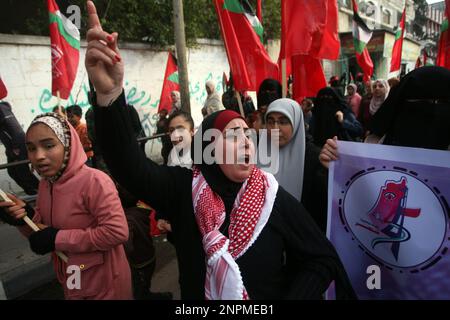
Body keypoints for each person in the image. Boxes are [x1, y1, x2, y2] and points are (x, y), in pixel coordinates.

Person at [85, 0, 355, 300]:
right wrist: (109, 95)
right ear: (210, 148)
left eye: (247, 135)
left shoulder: (272, 198)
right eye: (233, 135)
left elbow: (322, 259)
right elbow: (128, 165)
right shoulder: (183, 190)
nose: (246, 142)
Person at [0, 112, 132, 299]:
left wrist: (58, 238)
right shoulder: (47, 183)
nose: (38, 156)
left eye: (49, 145)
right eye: (30, 148)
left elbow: (117, 232)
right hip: (73, 276)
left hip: (105, 282)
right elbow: (45, 230)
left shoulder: (95, 181)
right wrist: (24, 218)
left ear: (68, 145)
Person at [319, 66, 450, 168]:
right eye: (422, 104)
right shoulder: (374, 146)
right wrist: (337, 167)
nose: (433, 112)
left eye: (444, 104)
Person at [263, 99, 328, 231]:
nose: (275, 128)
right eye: (270, 122)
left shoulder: (315, 158)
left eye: (283, 122)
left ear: (296, 123)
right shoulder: (258, 153)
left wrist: (328, 172)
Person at [0, 101, 39, 195]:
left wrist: (16, 147)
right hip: (10, 147)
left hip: (18, 146)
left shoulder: (1, 108)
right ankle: (32, 192)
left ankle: (40, 191)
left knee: (22, 172)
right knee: (12, 171)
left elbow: (16, 129)